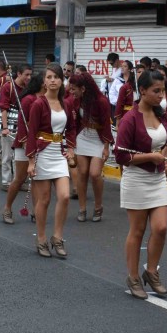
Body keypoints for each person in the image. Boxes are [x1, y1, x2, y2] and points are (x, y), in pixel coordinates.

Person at [115, 70, 167, 299]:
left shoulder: (162, 115)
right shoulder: (130, 119)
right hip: (136, 178)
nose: (161, 95)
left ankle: (151, 272)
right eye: (156, 91)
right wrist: (150, 157)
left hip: (157, 178)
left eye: (163, 90)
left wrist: (165, 158)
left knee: (161, 227)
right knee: (138, 231)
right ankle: (133, 277)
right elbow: (120, 156)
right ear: (143, 91)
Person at [26, 64, 76, 258]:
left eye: (56, 77)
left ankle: (57, 237)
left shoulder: (67, 103)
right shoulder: (38, 104)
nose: (53, 80)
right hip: (42, 154)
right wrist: (31, 161)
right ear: (44, 81)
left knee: (64, 196)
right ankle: (41, 238)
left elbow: (71, 128)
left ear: (62, 80)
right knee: (44, 200)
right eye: (49, 77)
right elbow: (32, 133)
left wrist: (71, 148)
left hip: (59, 154)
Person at [67, 71, 113, 223]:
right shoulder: (77, 101)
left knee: (94, 173)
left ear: (83, 89)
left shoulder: (102, 101)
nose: (71, 92)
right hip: (83, 138)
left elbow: (107, 125)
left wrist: (106, 147)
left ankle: (98, 206)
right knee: (82, 172)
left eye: (74, 89)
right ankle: (82, 208)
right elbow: (74, 123)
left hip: (99, 140)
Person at [1, 75, 43, 224]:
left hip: (41, 143)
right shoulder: (28, 100)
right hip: (24, 144)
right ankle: (7, 208)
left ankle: (36, 210)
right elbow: (22, 124)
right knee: (19, 178)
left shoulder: (47, 100)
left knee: (37, 179)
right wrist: (27, 143)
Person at [0, 64, 31, 190]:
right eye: (26, 74)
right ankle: (6, 182)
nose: (29, 77)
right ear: (18, 74)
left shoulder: (29, 88)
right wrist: (5, 127)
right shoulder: (8, 87)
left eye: (30, 74)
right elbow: (3, 109)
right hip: (10, 125)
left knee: (20, 156)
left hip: (24, 126)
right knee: (7, 155)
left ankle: (19, 180)